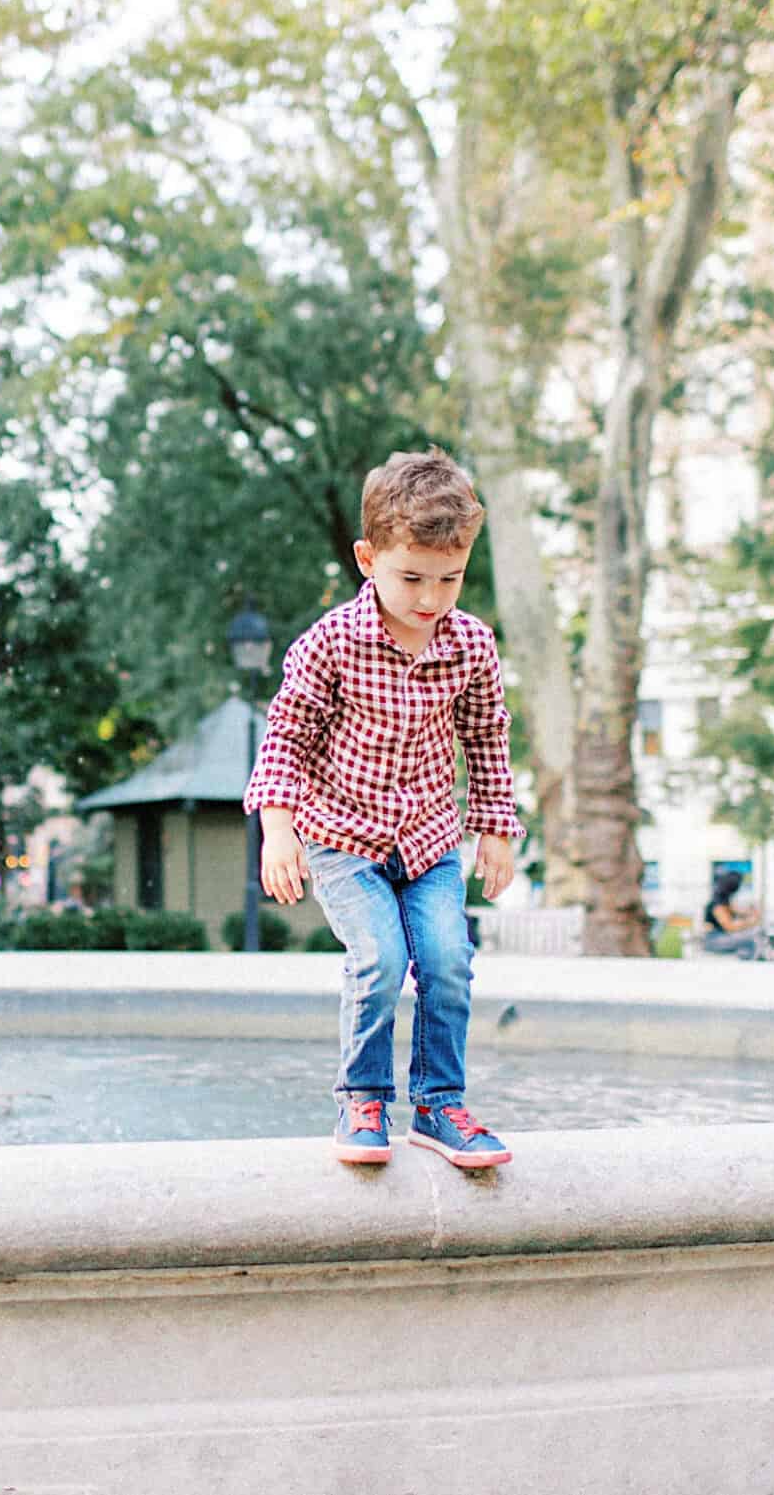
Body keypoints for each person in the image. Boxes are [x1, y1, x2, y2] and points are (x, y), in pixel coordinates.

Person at [246, 448, 523, 1171]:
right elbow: (288, 734)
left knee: (448, 961)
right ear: (368, 558)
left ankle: (439, 1104)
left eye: (450, 578)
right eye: (412, 578)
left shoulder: (472, 645)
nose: (431, 598)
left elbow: (487, 736)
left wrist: (496, 828)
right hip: (343, 838)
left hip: (429, 840)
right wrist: (279, 830)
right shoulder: (330, 643)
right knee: (380, 957)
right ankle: (363, 1096)